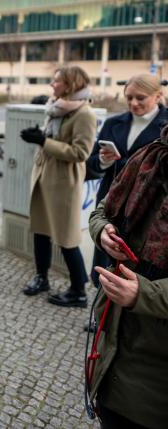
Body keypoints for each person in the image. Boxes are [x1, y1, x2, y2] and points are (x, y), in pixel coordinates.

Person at [88, 128, 168, 429]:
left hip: (156, 371)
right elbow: (102, 210)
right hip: (114, 342)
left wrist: (143, 294)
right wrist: (103, 231)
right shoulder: (150, 156)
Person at [20, 65, 96, 307]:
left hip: (64, 182)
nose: (52, 84)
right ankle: (41, 277)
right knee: (40, 230)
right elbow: (52, 137)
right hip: (44, 176)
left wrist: (44, 141)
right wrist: (39, 136)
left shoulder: (84, 113)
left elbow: (81, 152)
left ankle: (79, 291)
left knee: (66, 238)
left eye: (57, 81)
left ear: (71, 84)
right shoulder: (56, 107)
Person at [86, 74, 167, 289]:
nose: (133, 103)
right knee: (105, 266)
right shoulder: (114, 123)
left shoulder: (165, 127)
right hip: (110, 205)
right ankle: (100, 316)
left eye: (140, 98)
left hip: (146, 213)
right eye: (129, 97)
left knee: (135, 274)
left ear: (158, 95)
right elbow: (90, 164)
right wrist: (102, 161)